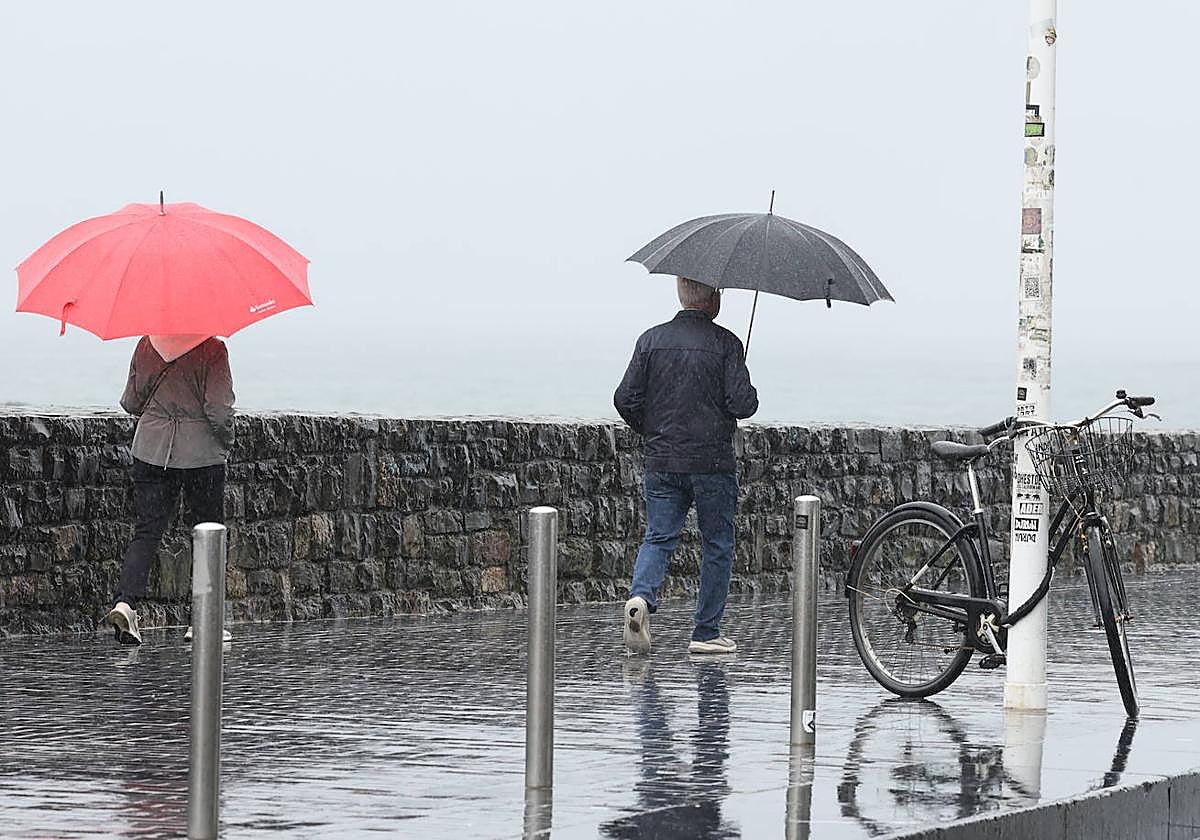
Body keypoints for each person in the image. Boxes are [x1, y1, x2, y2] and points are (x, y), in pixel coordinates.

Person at [613, 277, 758, 655]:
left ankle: (641, 599)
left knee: (659, 536)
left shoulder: (650, 340)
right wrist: (746, 386)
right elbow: (743, 404)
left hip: (662, 459)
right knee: (717, 544)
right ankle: (706, 632)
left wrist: (653, 430)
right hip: (712, 463)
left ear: (681, 293)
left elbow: (625, 398)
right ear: (714, 298)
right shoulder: (726, 344)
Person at [104, 335, 235, 645]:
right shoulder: (212, 349)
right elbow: (218, 410)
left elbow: (131, 403)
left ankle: (125, 604)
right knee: (206, 535)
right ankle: (203, 621)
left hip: (151, 450)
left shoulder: (148, 344)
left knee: (147, 531)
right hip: (201, 454)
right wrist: (226, 442)